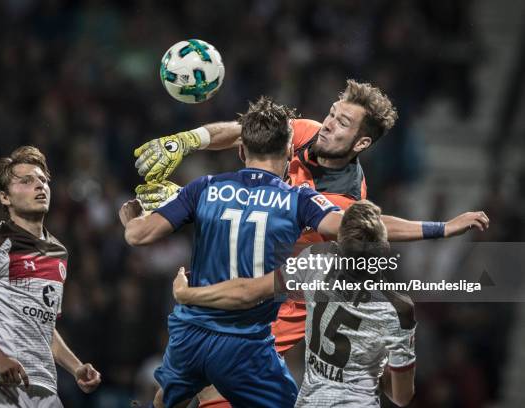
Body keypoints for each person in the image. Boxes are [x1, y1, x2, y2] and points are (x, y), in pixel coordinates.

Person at [133, 80, 488, 407]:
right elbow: (249, 132)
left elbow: (374, 224)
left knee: (215, 381)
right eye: (333, 114)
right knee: (176, 389)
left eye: (343, 123)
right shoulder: (305, 133)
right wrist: (188, 140)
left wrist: (440, 228)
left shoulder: (344, 196)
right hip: (247, 263)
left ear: (361, 143)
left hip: (285, 293)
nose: (329, 124)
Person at [120, 96, 347, 408]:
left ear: (241, 150)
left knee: (167, 399)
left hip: (190, 334)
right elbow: (349, 226)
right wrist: (433, 228)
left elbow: (139, 235)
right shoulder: (297, 199)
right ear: (289, 150)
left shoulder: (203, 188)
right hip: (247, 341)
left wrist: (135, 217)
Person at [174, 200, 416, 407]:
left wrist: (189, 294)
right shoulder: (398, 308)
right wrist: (375, 369)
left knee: (209, 388)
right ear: (383, 248)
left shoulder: (316, 258)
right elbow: (402, 397)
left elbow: (249, 290)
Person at [0, 146, 101, 407]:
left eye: (43, 180)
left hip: (44, 386)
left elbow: (44, 327)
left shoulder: (58, 252)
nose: (39, 186)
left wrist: (76, 367)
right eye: (26, 181)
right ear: (5, 197)